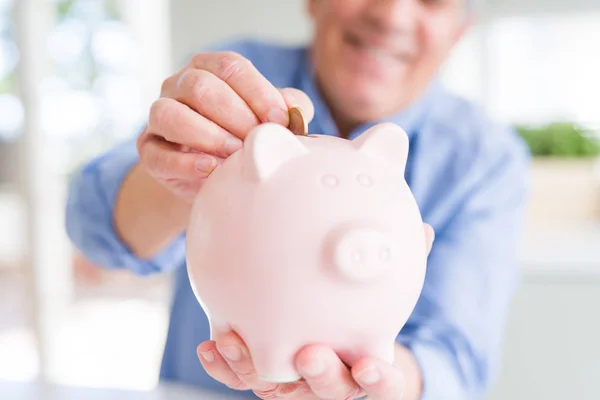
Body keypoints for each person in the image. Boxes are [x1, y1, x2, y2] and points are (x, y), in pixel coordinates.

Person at [65, 0, 531, 399]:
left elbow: (456, 359)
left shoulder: (484, 159)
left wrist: (378, 383)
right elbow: (90, 224)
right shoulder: (238, 81)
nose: (392, 14)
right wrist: (189, 179)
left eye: (432, 0)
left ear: (458, 33)